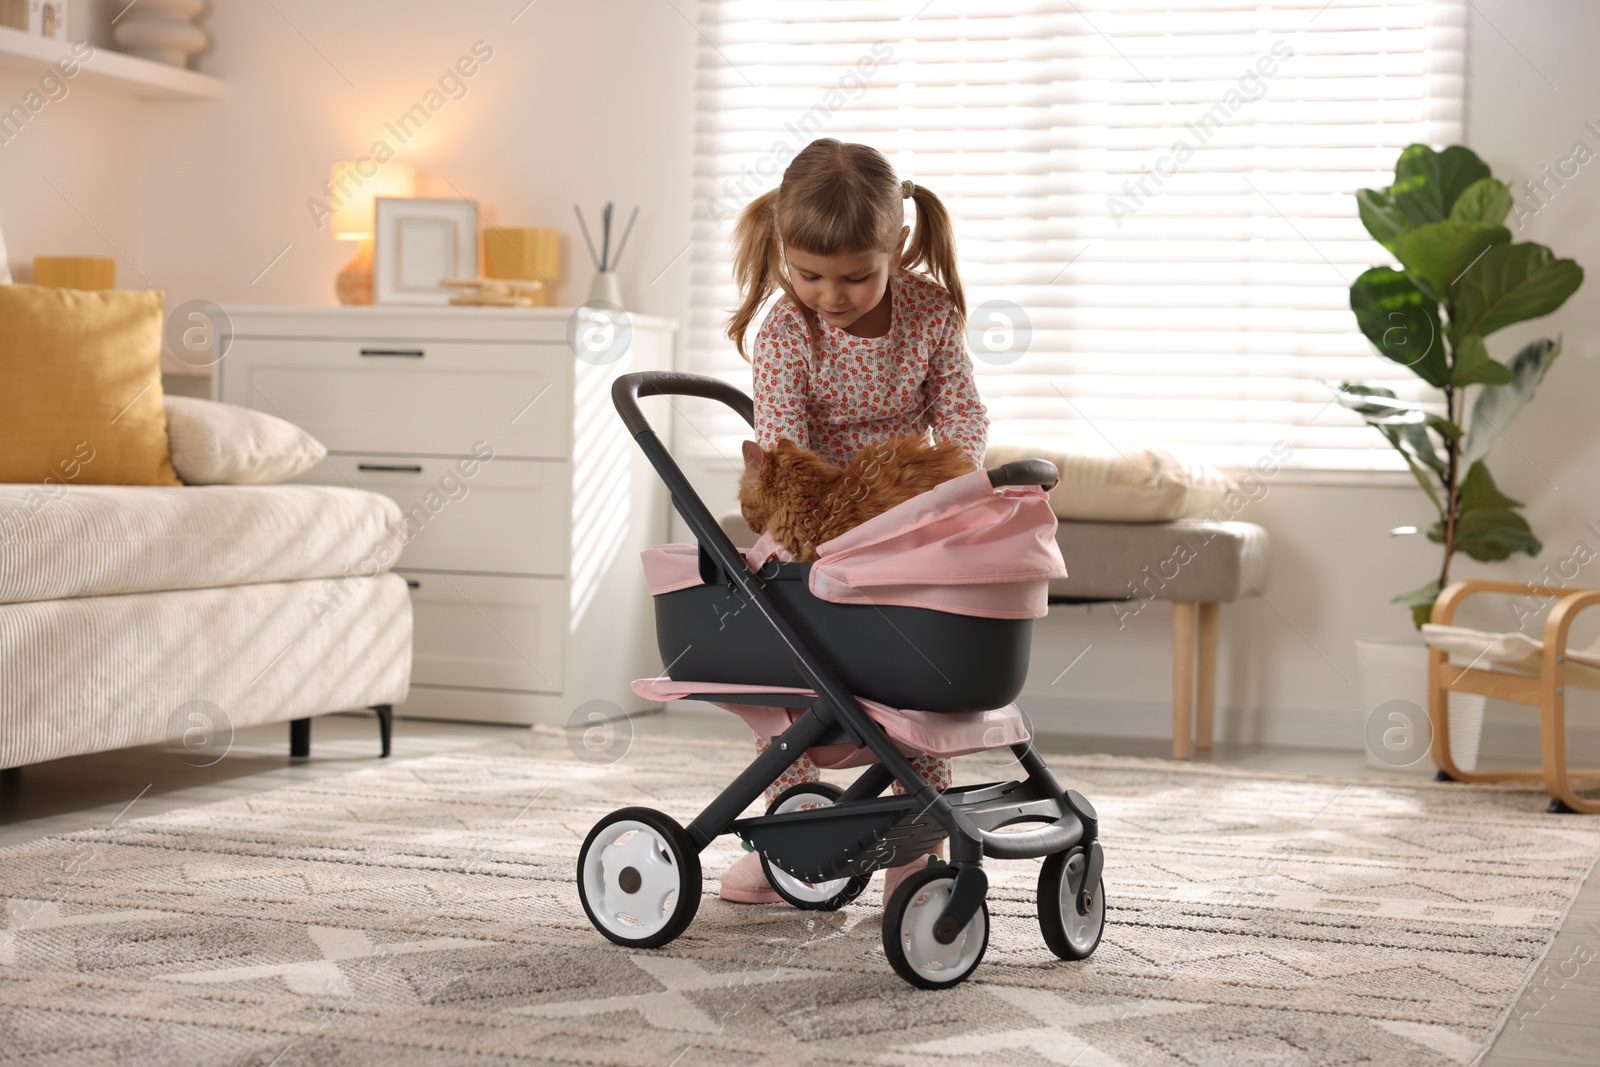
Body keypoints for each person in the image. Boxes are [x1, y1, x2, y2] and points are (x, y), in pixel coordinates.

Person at [720, 137, 989, 905]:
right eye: (808, 276)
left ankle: (916, 846)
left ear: (897, 248)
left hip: (907, 528)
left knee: (921, 694)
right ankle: (789, 829)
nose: (830, 296)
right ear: (781, 250)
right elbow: (782, 452)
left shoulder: (930, 315)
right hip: (816, 534)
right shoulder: (785, 335)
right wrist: (814, 531)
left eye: (855, 277)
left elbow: (962, 415)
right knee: (773, 677)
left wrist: (950, 490)